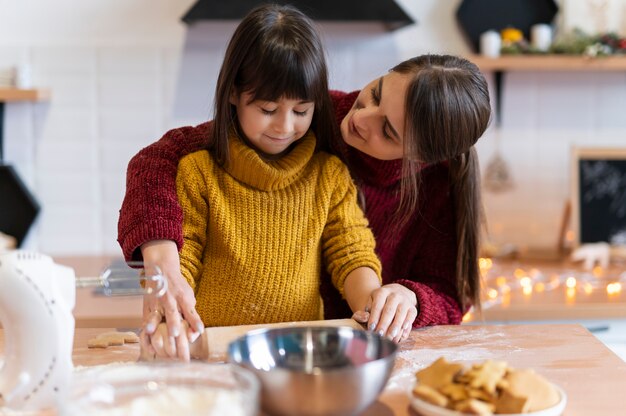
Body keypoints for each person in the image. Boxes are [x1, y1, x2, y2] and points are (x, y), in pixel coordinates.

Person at [119, 25, 491, 360]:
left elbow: (444, 293)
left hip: (335, 356)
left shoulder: (440, 182)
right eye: (375, 93)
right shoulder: (304, 113)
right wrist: (164, 268)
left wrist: (408, 298)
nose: (361, 118)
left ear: (423, 158)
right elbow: (158, 158)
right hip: (235, 345)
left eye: (388, 131)